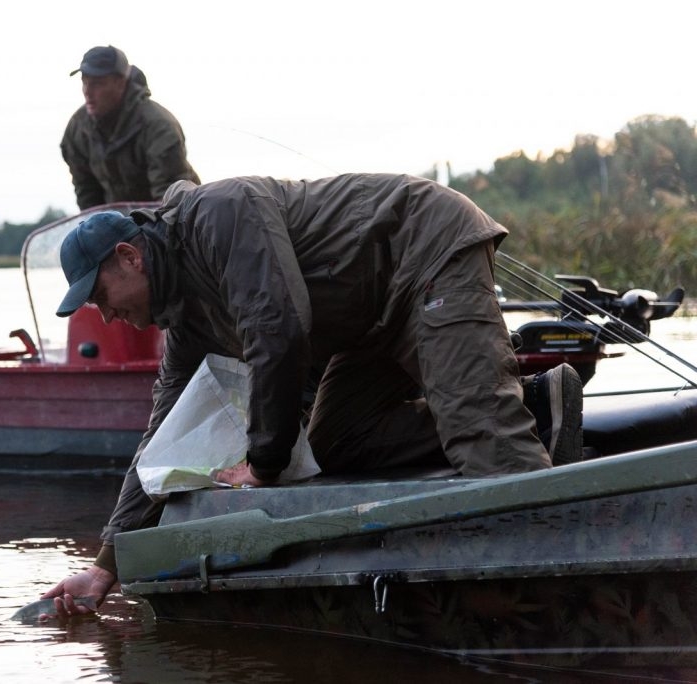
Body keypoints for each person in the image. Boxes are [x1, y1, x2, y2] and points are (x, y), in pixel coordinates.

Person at [40, 173, 584, 618]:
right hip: (364, 322)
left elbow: (278, 332)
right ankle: (538, 406)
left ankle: (561, 601)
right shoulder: (186, 323)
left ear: (130, 257)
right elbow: (160, 436)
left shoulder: (219, 213)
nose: (107, 315)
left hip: (424, 252)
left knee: (485, 443)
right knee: (337, 440)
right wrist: (106, 564)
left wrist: (265, 464)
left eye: (101, 295)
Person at [60, 45, 201, 210]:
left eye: (97, 84)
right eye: (84, 82)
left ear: (120, 83)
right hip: (120, 226)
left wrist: (145, 232)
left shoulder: (158, 126)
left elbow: (172, 202)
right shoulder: (77, 129)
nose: (87, 91)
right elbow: (87, 195)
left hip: (173, 222)